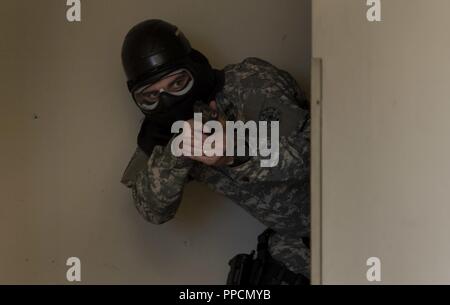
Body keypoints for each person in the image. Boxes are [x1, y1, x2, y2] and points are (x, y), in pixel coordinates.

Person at [120, 19, 311, 284]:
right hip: (296, 239)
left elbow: (309, 155)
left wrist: (237, 150)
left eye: (178, 84)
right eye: (151, 96)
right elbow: (152, 209)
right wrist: (178, 153)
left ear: (194, 68)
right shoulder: (161, 132)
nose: (167, 100)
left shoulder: (249, 83)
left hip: (344, 209)